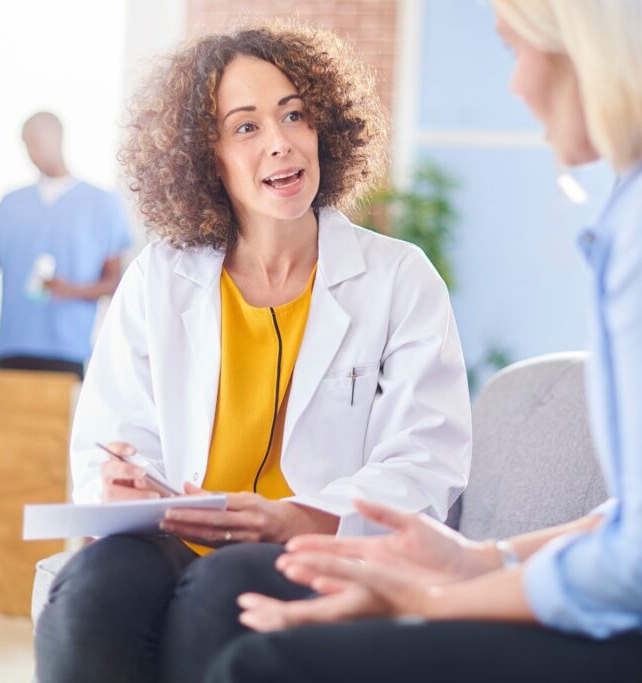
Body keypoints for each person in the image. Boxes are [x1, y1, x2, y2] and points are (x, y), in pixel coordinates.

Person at [209, 2, 642, 682]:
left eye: (516, 50)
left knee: (268, 665)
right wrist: (488, 560)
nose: (516, 85)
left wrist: (441, 602)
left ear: (589, 49)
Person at [33, 22, 472, 683]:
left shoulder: (398, 278)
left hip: (315, 549)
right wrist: (121, 484)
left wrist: (299, 516)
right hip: (171, 541)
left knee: (228, 587)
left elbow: (428, 457)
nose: (281, 142)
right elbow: (116, 431)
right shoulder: (161, 277)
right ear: (209, 157)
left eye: (295, 114)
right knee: (98, 583)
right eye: (246, 126)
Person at [0, 112, 131, 380]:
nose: (32, 152)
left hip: (67, 352)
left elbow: (116, 282)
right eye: (26, 144)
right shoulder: (10, 204)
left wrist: (70, 290)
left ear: (57, 137)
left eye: (36, 140)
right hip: (12, 348)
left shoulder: (100, 204)